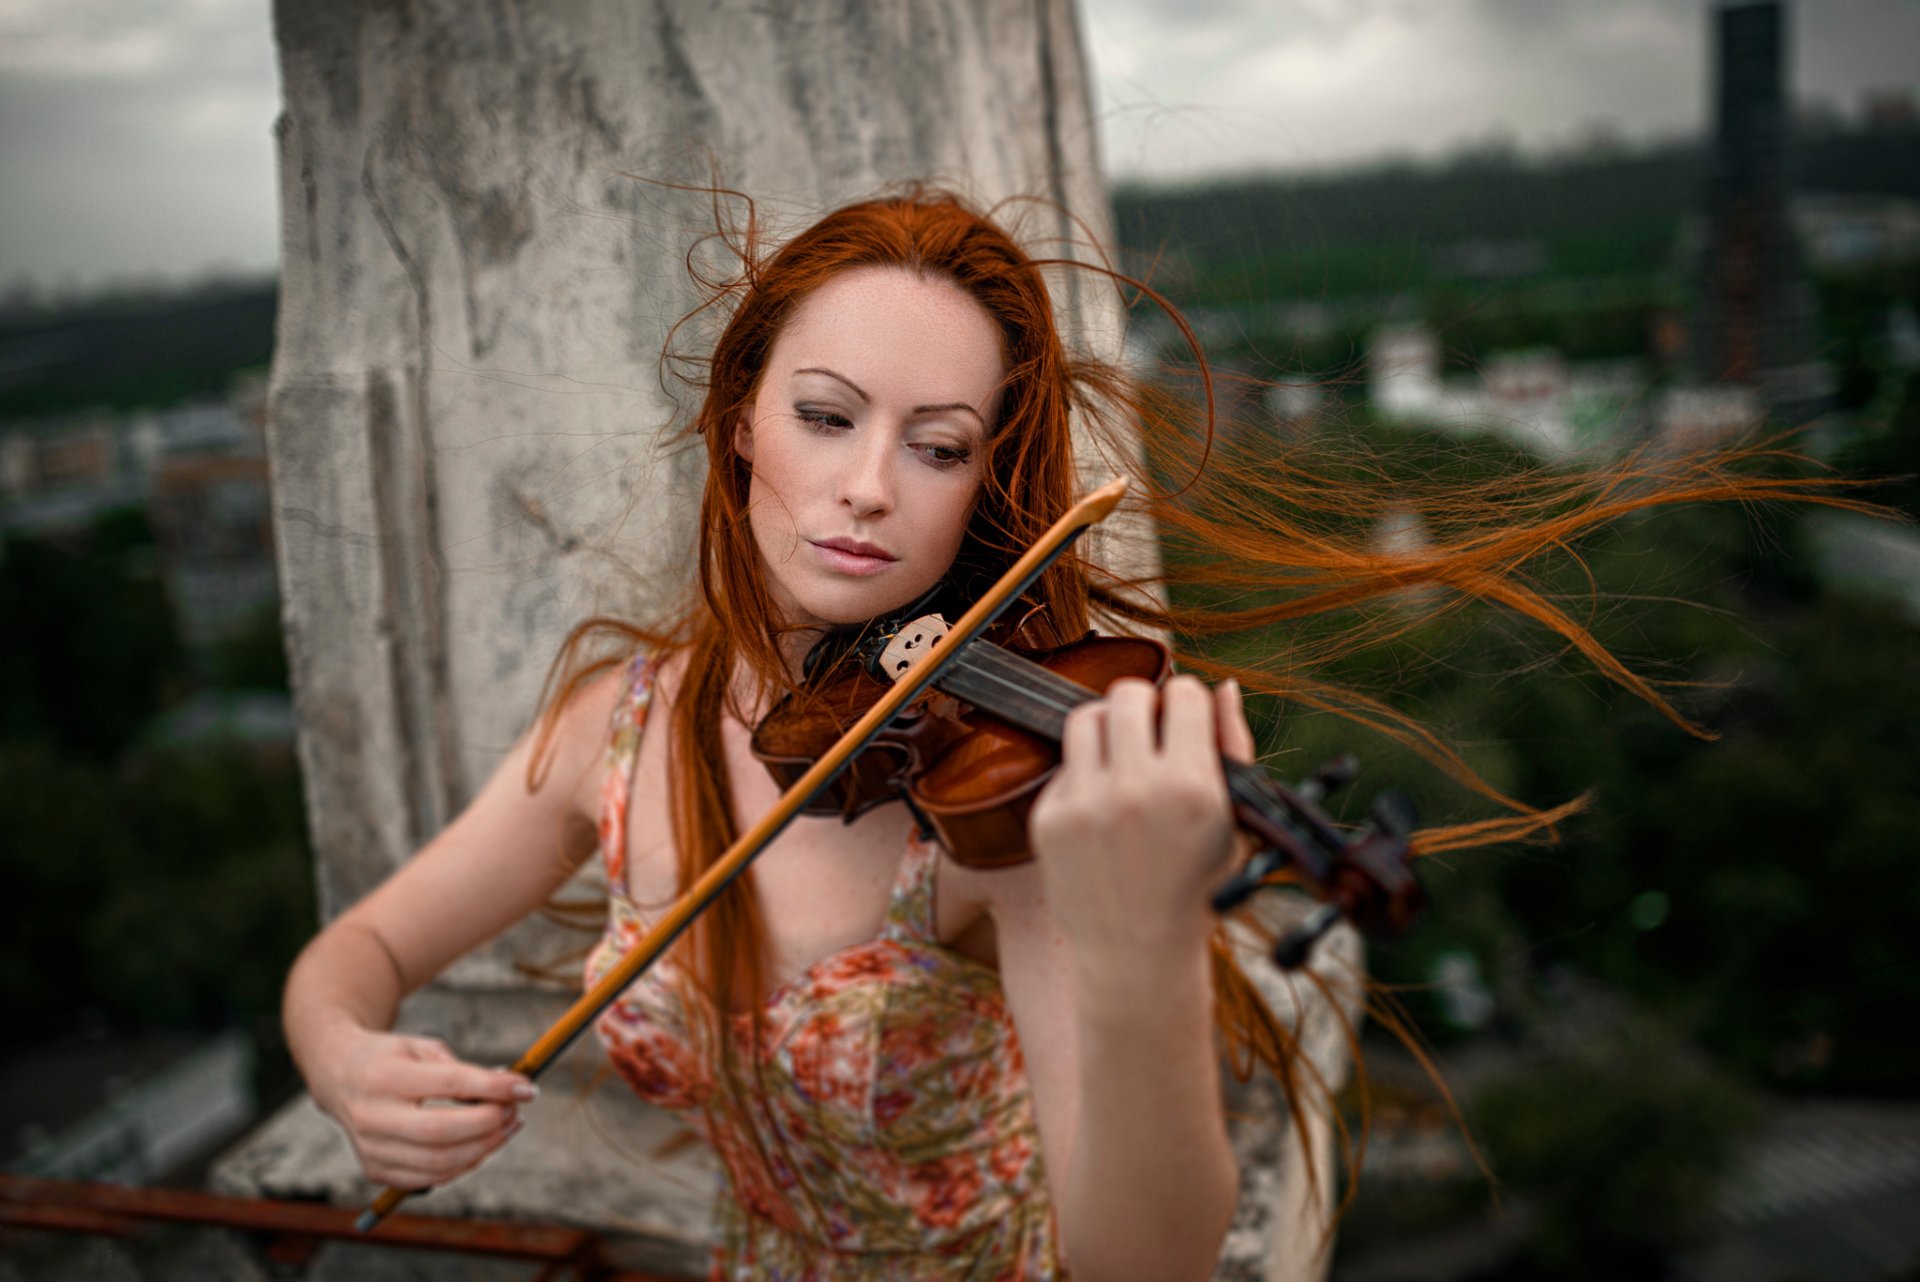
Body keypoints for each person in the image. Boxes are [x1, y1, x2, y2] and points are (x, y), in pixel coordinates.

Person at [282, 188, 1868, 1279]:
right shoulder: (612, 729)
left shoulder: (992, 817)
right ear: (739, 417)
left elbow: (1147, 1263)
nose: (867, 487)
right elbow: (350, 952)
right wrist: (347, 1057)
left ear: (988, 486)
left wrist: (1134, 941)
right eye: (827, 416)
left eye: (940, 444)